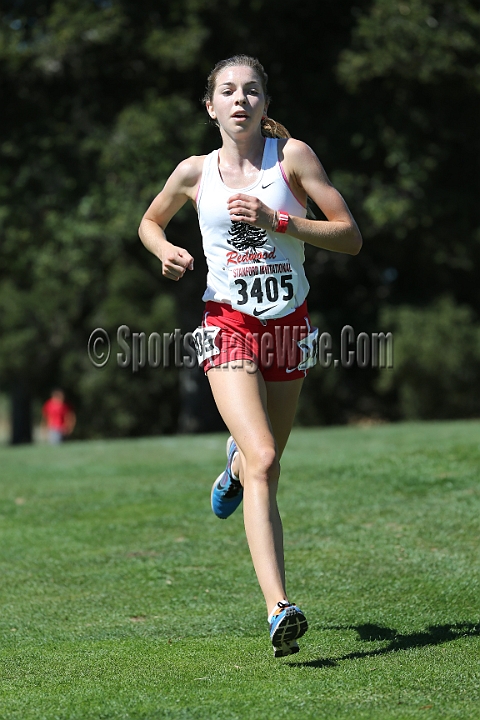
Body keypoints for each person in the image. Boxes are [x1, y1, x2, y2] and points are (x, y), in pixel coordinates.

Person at [139, 55, 362, 657]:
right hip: (227, 324)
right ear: (210, 105)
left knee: (263, 462)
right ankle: (278, 609)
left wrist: (280, 219)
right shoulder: (194, 172)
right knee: (266, 459)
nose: (241, 100)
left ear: (265, 102)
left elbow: (349, 235)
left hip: (289, 326)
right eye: (229, 92)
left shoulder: (292, 159)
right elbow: (149, 222)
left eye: (253, 91)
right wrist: (165, 248)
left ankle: (232, 468)